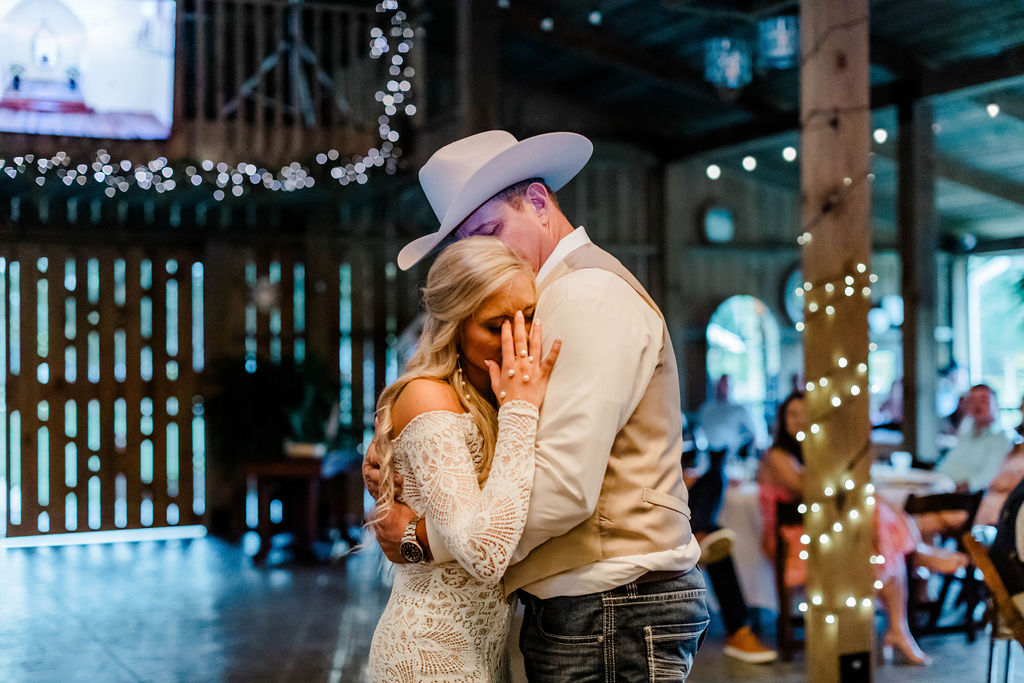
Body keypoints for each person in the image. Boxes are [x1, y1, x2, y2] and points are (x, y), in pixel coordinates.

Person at [366, 129, 709, 681]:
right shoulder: (537, 297)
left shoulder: (583, 294)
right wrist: (411, 457)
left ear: (538, 201)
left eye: (491, 231)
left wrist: (424, 538)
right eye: (470, 244)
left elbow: (562, 486)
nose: (489, 255)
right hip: (594, 606)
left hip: (610, 601)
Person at [368, 237, 561, 681]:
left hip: (485, 654)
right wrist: (520, 409)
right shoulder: (428, 397)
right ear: (454, 324)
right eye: (495, 327)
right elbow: (485, 554)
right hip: (425, 655)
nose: (515, 341)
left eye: (528, 318)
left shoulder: (495, 395)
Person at [758, 392, 966, 666]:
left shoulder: (811, 451)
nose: (798, 420)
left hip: (821, 532)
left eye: (804, 414)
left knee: (876, 526)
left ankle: (899, 625)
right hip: (794, 542)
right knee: (874, 520)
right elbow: (808, 488)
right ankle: (917, 558)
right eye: (792, 414)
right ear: (782, 419)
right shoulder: (777, 456)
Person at [935, 384, 1015, 492]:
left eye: (983, 400)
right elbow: (947, 464)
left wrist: (959, 489)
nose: (977, 405)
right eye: (972, 401)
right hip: (942, 485)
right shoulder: (965, 432)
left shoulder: (1001, 438)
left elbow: (987, 477)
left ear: (995, 404)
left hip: (964, 495)